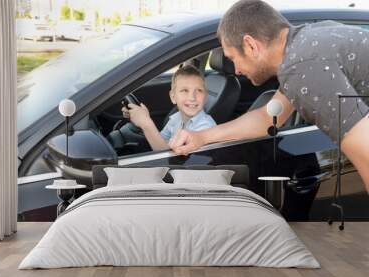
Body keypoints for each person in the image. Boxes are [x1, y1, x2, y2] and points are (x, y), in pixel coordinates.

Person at [169, 0, 369, 192]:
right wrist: (201, 137)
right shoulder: (303, 47)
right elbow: (268, 117)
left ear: (250, 45)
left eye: (233, 58)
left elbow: (366, 153)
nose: (236, 69)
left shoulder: (302, 69)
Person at [122, 65, 216, 151]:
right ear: (173, 97)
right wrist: (142, 118)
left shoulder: (205, 127)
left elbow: (168, 160)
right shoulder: (176, 118)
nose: (192, 97)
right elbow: (161, 141)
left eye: (199, 91)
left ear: (205, 96)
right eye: (184, 90)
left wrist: (146, 124)